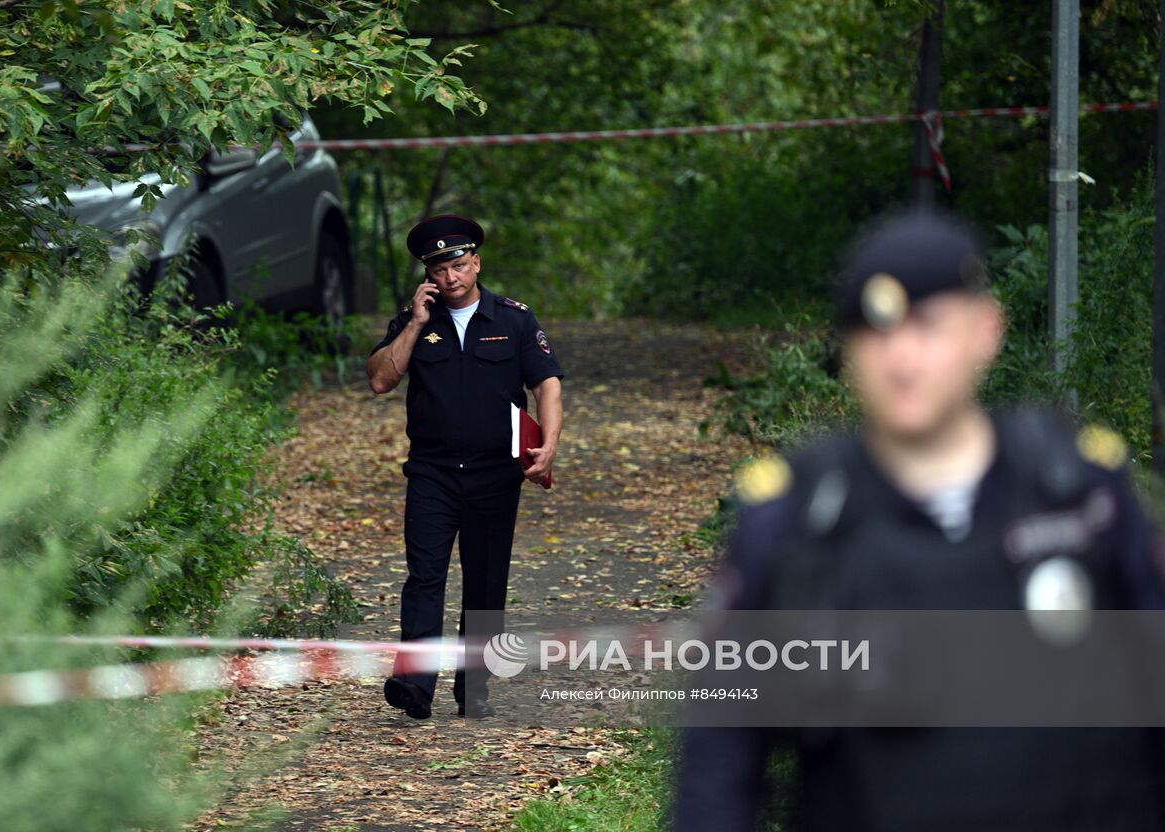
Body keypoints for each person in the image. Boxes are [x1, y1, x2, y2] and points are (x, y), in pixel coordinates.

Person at [672, 209, 1165, 830]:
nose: (902, 359)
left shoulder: (1080, 495)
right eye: (878, 334)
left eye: (929, 327)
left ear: (986, 330)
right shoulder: (796, 522)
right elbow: (718, 764)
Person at [366, 215, 564, 719]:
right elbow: (381, 380)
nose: (450, 277)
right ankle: (414, 684)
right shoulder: (414, 320)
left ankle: (473, 687)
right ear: (428, 275)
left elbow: (547, 383)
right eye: (439, 269)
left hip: (496, 473)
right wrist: (413, 323)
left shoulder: (514, 319)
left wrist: (551, 443)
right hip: (432, 472)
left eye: (457, 264)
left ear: (475, 261)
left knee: (485, 580)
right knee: (424, 577)